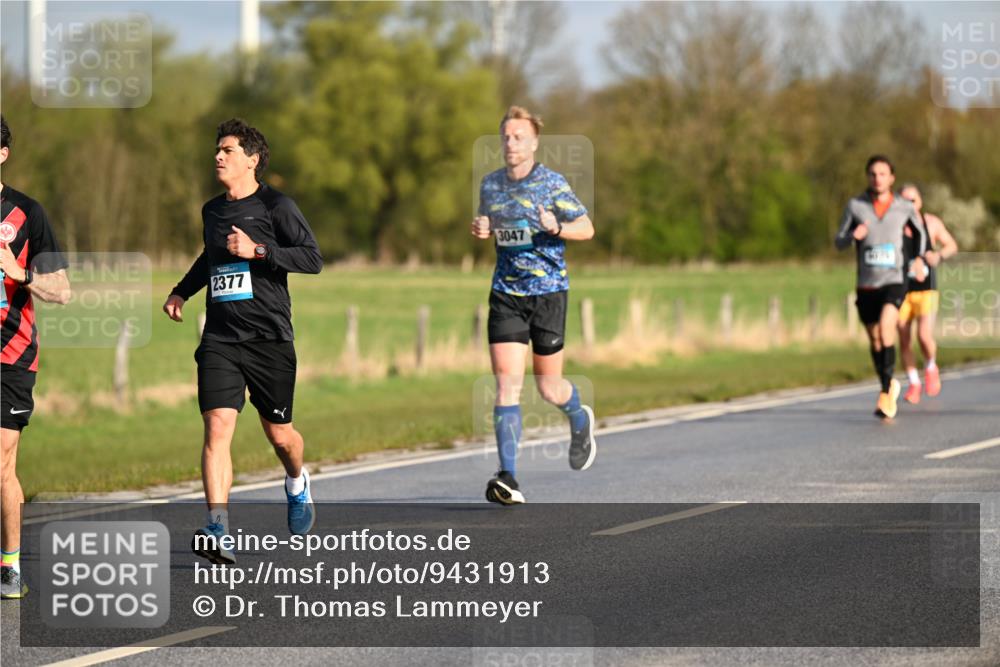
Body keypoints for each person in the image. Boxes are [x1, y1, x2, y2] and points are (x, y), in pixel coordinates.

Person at [163, 119, 322, 564]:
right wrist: (181, 290)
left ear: (251, 159)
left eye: (227, 150)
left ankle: (296, 483)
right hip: (221, 337)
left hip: (269, 338)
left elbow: (312, 258)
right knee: (217, 427)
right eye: (217, 150)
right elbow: (208, 258)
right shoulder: (211, 211)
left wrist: (259, 251)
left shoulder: (277, 206)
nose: (218, 156)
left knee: (281, 436)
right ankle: (218, 527)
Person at [471, 106, 596, 505]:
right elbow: (490, 223)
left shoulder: (552, 183)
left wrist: (556, 227)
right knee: (508, 383)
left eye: (518, 137)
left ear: (534, 142)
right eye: (506, 137)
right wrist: (482, 227)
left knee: (548, 387)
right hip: (507, 293)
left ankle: (579, 418)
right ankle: (508, 475)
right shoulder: (490, 185)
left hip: (548, 293)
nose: (510, 143)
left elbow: (587, 228)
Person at [0, 116, 72, 599]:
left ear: (2, 154)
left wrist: (17, 271)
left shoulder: (27, 212)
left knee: (0, 461)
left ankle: (9, 565)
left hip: (11, 356)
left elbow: (62, 291)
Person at [835, 155, 927, 420]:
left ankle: (887, 392)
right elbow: (839, 241)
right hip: (866, 284)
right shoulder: (855, 206)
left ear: (892, 178)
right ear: (868, 177)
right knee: (875, 338)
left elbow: (920, 233)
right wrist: (853, 236)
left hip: (894, 280)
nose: (878, 179)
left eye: (883, 174)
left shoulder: (903, 207)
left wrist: (919, 258)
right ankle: (886, 385)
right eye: (873, 174)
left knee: (888, 326)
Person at [897, 184, 957, 404]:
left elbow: (952, 245)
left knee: (923, 335)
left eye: (912, 200)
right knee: (903, 339)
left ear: (920, 201)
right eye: (904, 201)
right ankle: (914, 383)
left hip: (926, 289)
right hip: (902, 290)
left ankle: (931, 365)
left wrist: (938, 256)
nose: (909, 205)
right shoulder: (895, 225)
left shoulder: (931, 223)